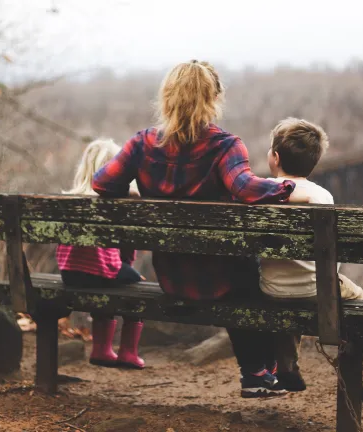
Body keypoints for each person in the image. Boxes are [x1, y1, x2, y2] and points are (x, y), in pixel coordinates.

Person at [92, 60, 295, 398]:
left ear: (167, 98)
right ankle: (258, 372)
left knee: (240, 269)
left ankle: (260, 372)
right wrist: (286, 187)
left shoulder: (142, 144)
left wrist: (132, 192)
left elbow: (102, 183)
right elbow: (245, 188)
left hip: (172, 277)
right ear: (214, 98)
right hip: (223, 279)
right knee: (248, 271)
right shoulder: (225, 146)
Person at [260, 117, 363, 405]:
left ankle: (287, 366)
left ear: (275, 158)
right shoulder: (322, 196)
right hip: (318, 290)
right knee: (360, 298)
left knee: (287, 300)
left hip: (271, 289)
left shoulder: (261, 192)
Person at [56, 139, 146, 369]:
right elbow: (126, 247)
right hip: (102, 272)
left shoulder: (70, 200)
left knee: (107, 279)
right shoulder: (116, 201)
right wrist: (128, 267)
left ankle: (102, 349)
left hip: (69, 274)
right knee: (137, 286)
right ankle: (127, 352)